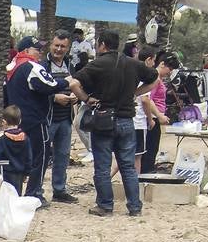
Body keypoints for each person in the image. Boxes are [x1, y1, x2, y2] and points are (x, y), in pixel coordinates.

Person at [72, 29, 159, 217]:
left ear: (102, 44)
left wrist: (86, 99)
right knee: (128, 166)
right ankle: (135, 206)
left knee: (102, 166)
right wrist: (134, 93)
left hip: (103, 119)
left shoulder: (97, 64)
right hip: (127, 120)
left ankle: (105, 205)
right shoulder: (133, 64)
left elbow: (73, 84)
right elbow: (155, 79)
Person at [4, 36, 69, 206]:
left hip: (18, 119)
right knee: (40, 156)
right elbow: (49, 85)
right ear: (26, 51)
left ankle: (14, 194)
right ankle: (34, 194)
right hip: (35, 120)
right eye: (37, 49)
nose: (40, 52)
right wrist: (67, 82)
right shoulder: (31, 66)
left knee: (19, 156)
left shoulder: (12, 66)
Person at [44, 31, 80, 203]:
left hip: (65, 118)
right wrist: (54, 97)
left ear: (68, 48)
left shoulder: (69, 65)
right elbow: (36, 90)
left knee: (63, 155)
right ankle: (36, 191)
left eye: (62, 46)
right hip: (48, 118)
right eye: (56, 45)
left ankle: (59, 190)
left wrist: (76, 97)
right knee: (42, 155)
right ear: (51, 45)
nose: (58, 49)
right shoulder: (42, 65)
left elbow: (75, 84)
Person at [134, 46, 168, 176]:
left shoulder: (134, 72)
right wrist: (151, 118)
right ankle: (137, 184)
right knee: (137, 156)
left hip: (131, 119)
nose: (154, 64)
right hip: (138, 121)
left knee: (127, 154)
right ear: (148, 60)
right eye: (153, 60)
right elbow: (146, 100)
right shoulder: (145, 76)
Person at [0, 105, 31, 195]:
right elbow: (28, 157)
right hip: (20, 173)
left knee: (7, 197)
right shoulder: (25, 139)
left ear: (4, 122)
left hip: (6, 173)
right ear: (20, 121)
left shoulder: (2, 140)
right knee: (17, 196)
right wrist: (27, 173)